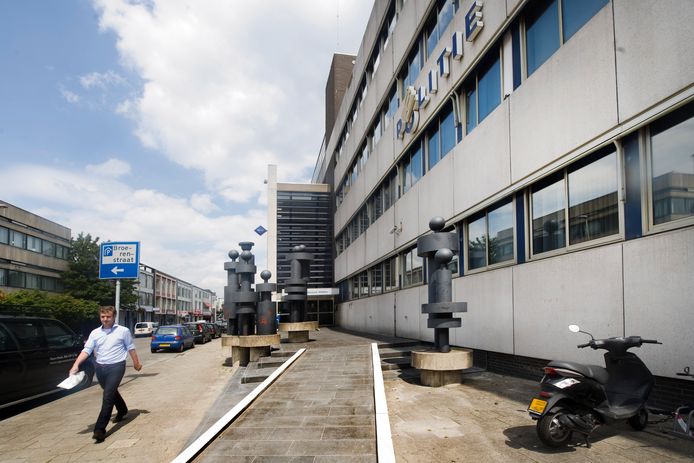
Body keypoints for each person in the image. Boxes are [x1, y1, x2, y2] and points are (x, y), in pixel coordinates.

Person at [69, 306, 142, 443]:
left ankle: (99, 430)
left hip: (117, 366)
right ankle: (122, 410)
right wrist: (75, 365)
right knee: (111, 392)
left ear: (114, 317)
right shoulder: (95, 333)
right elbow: (87, 349)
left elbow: (130, 348)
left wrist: (136, 363)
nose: (105, 319)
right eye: (103, 317)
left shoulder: (123, 331)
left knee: (107, 396)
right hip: (100, 367)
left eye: (108, 316)